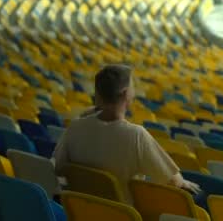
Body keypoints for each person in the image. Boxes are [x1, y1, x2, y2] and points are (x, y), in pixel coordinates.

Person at [53, 64, 200, 204]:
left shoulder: (75, 127)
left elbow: (57, 168)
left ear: (98, 93)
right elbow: (174, 182)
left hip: (80, 213)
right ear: (125, 94)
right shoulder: (136, 135)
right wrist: (183, 182)